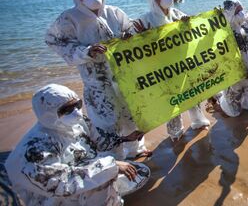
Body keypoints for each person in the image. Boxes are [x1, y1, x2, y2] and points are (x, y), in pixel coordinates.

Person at [45, 0, 148, 160]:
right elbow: (53, 40)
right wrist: (86, 52)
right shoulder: (70, 18)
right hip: (96, 81)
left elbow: (128, 30)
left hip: (123, 76)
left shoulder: (114, 13)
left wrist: (134, 34)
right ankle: (112, 162)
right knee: (106, 122)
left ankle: (135, 150)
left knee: (131, 115)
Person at [5, 84, 150, 205]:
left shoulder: (76, 122)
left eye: (77, 105)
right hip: (51, 196)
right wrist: (111, 166)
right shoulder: (36, 148)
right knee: (104, 179)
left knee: (140, 172)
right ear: (47, 113)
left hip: (82, 172)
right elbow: (59, 184)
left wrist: (124, 139)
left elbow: (99, 139)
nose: (77, 113)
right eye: (66, 110)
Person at [133, 0, 211, 142]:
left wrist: (189, 23)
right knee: (171, 100)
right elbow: (133, 47)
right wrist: (141, 37)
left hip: (183, 63)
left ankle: (198, 120)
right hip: (163, 69)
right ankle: (175, 132)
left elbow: (192, 31)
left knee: (191, 92)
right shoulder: (145, 20)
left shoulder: (176, 13)